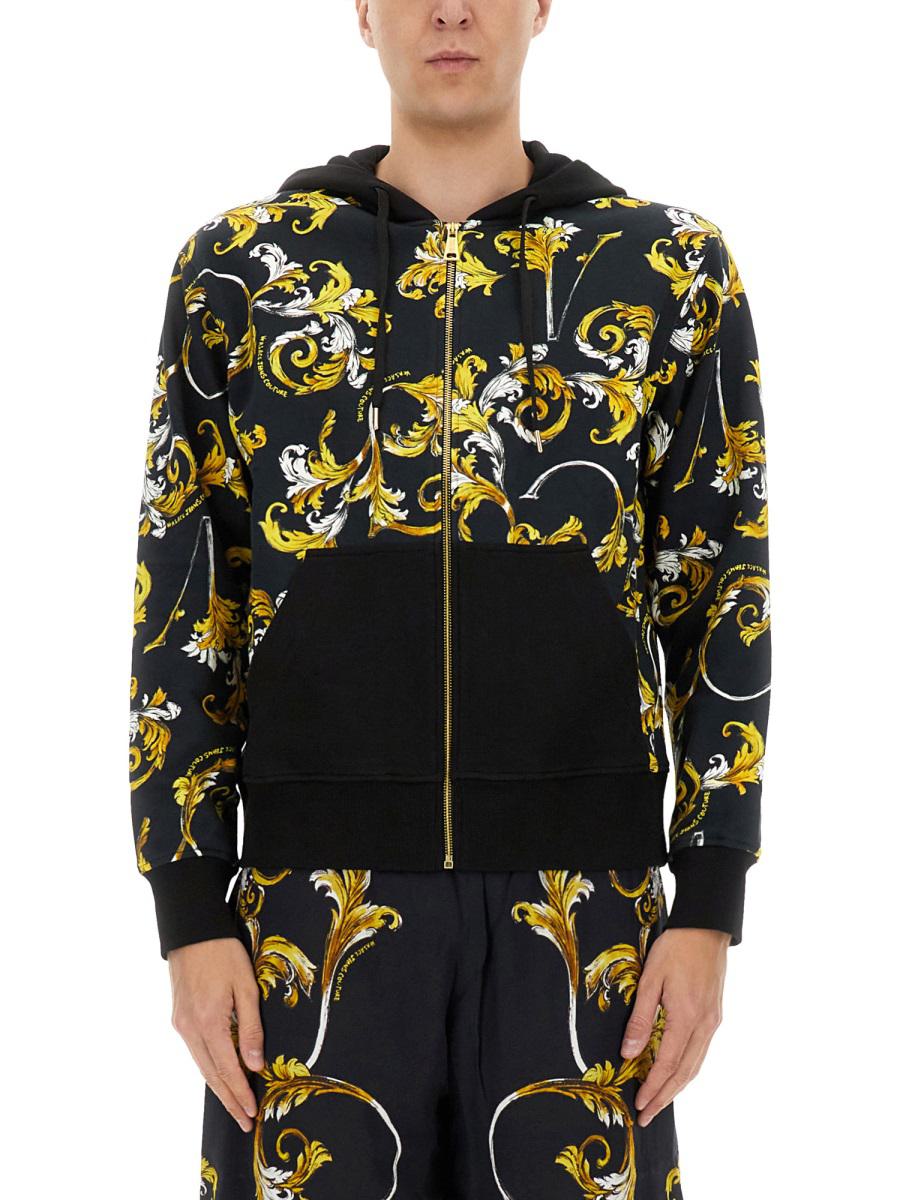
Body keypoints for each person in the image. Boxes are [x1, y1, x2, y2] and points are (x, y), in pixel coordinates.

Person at [128, 2, 771, 1196]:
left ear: (543, 7)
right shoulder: (241, 271)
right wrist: (189, 908)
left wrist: (710, 899)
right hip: (308, 912)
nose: (451, 10)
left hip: (587, 911)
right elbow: (185, 596)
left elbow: (721, 591)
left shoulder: (667, 269)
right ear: (363, 12)